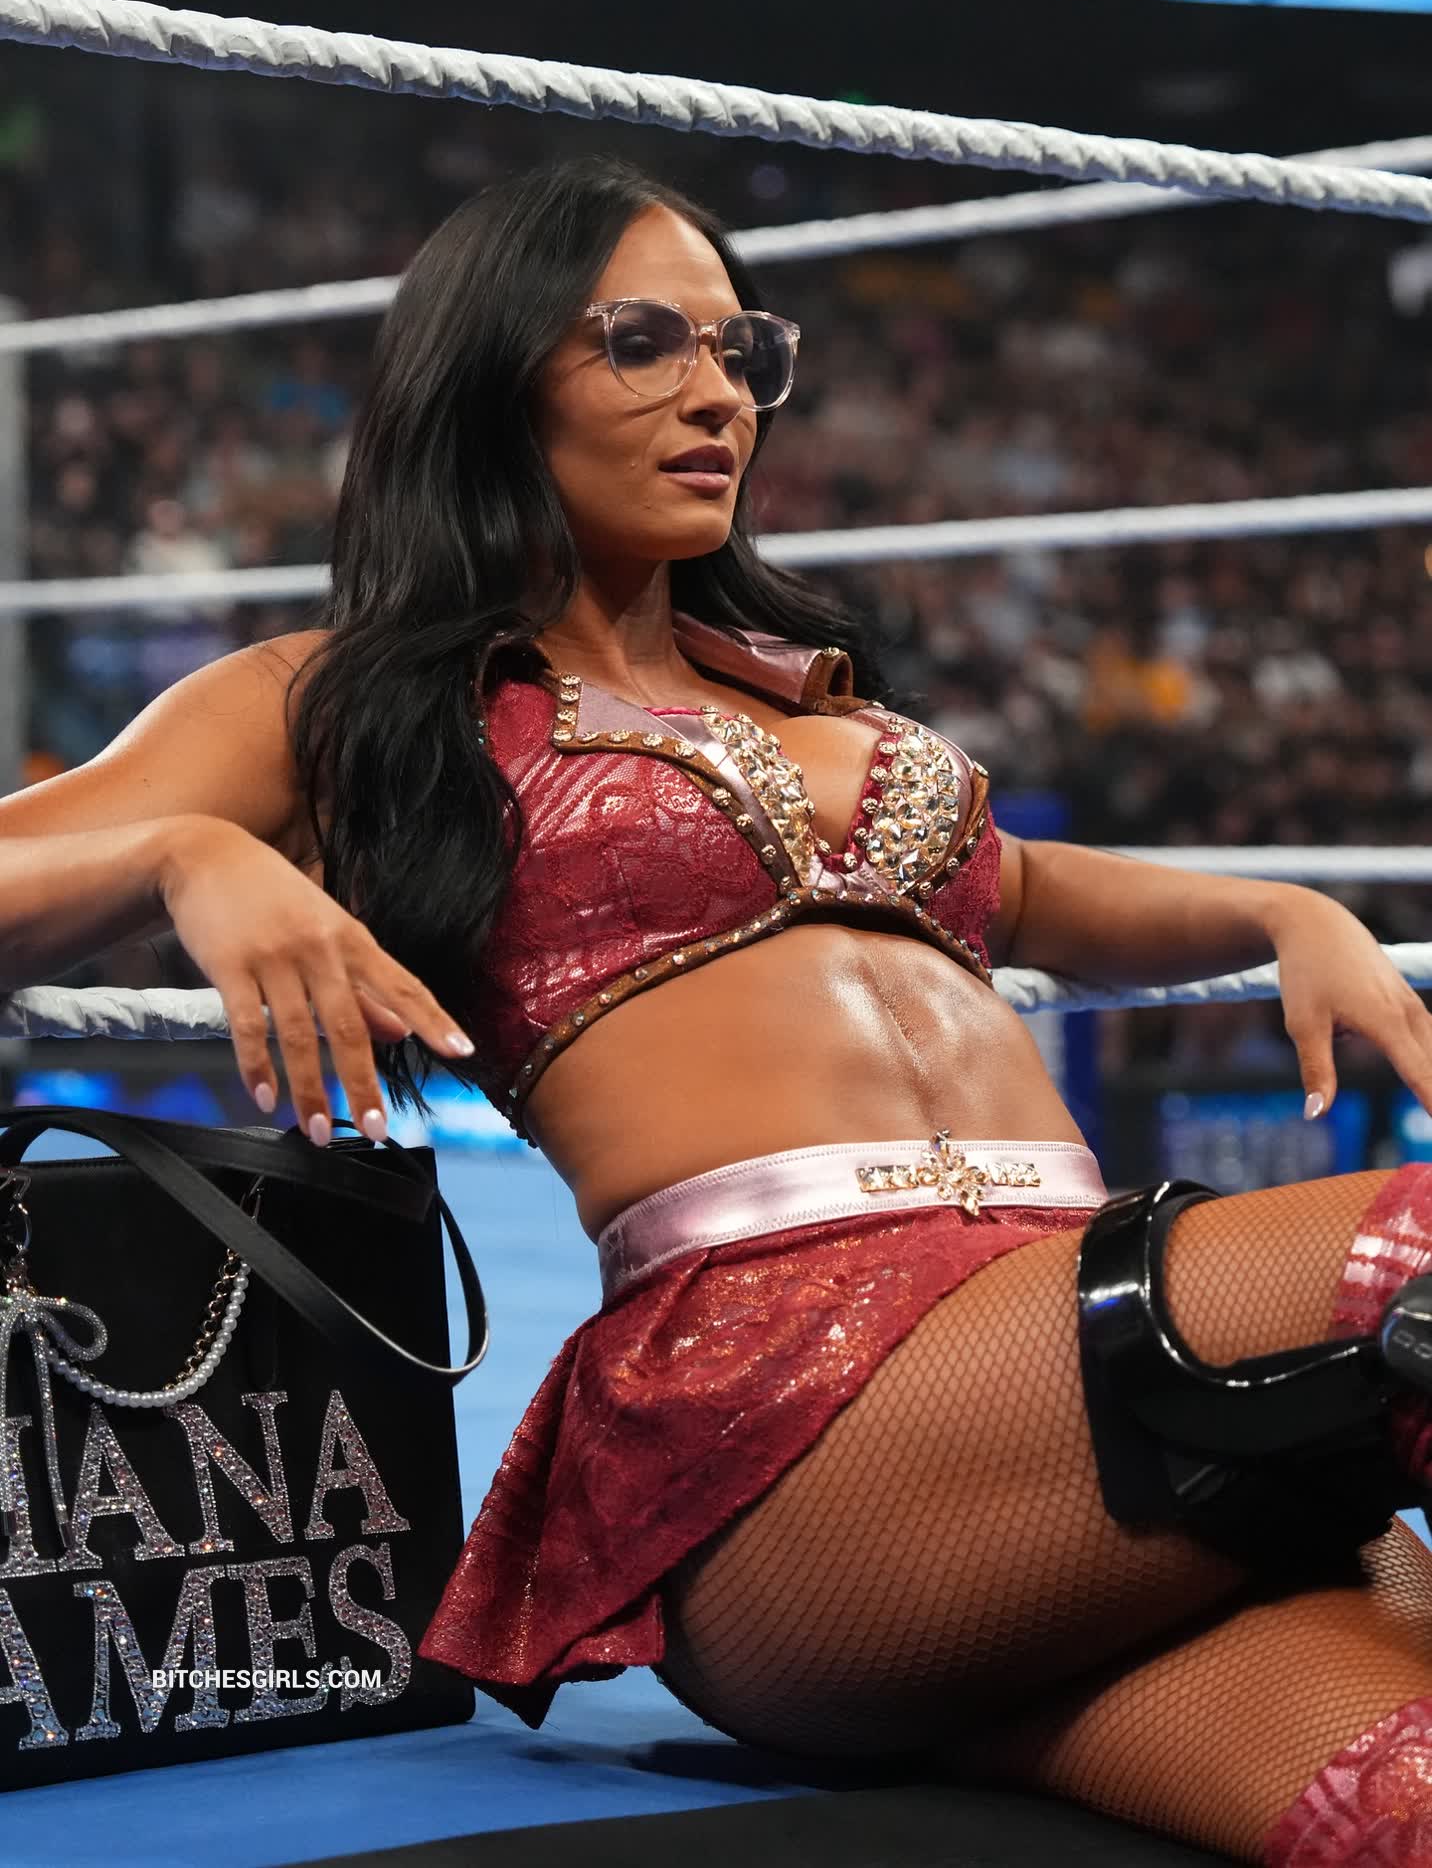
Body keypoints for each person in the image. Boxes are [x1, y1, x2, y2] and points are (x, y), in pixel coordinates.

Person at [5, 158, 1432, 1867]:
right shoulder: (344, 701)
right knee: (1411, 1259)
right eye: (643, 343)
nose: (718, 394)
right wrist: (185, 853)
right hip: (787, 1424)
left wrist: (1284, 910)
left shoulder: (812, 694)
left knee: (1399, 1804)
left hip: (1059, 1450)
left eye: (742, 350)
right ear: (493, 374)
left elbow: (1034, 889)